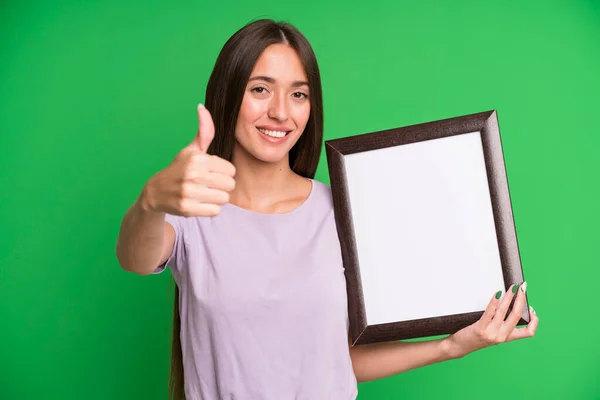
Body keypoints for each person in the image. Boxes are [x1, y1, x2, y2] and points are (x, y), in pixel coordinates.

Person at [116, 18, 539, 400]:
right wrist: (151, 200)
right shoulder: (190, 206)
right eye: (260, 89)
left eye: (298, 94)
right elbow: (134, 258)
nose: (280, 112)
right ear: (227, 94)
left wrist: (451, 346)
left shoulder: (341, 212)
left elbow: (337, 360)